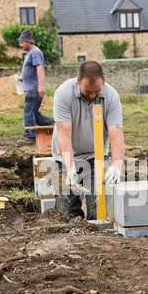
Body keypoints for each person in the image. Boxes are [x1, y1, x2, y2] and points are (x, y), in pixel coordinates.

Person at [51, 60, 125, 220]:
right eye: (87, 91)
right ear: (78, 81)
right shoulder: (63, 93)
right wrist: (70, 168)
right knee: (66, 216)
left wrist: (117, 165)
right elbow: (64, 137)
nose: (92, 95)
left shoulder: (111, 96)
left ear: (104, 81)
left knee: (100, 212)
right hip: (64, 159)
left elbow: (116, 136)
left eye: (96, 91)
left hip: (95, 157)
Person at [18, 29, 54, 142]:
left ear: (28, 41)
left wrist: (40, 86)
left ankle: (31, 137)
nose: (20, 45)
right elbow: (32, 70)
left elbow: (39, 69)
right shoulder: (31, 53)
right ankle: (55, 125)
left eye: (21, 42)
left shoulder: (35, 52)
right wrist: (23, 78)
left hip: (34, 90)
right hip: (32, 88)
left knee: (28, 113)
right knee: (34, 114)